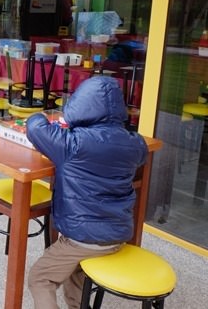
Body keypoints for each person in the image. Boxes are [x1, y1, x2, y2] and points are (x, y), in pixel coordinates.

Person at [25, 76, 148, 309]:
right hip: (118, 233)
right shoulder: (134, 143)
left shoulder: (73, 143)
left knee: (40, 279)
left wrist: (40, 114)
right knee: (75, 276)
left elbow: (35, 128)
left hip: (83, 237)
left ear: (80, 105)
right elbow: (141, 154)